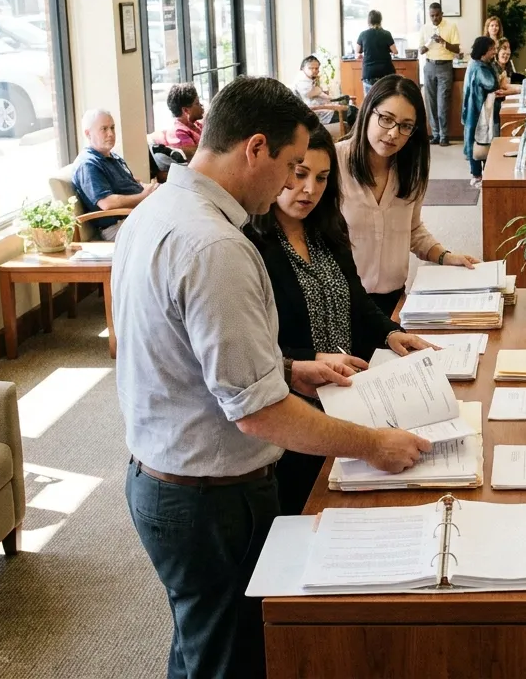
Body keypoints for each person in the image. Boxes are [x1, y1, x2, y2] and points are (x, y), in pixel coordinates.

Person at [115, 76, 430, 679]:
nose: (293, 183)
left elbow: (182, 347)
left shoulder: (158, 209)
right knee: (230, 656)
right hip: (209, 494)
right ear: (255, 148)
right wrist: (374, 445)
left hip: (163, 474)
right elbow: (258, 411)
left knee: (201, 641)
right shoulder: (217, 246)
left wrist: (287, 367)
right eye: (289, 165)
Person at [251, 126, 436, 515]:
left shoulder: (328, 228)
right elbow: (255, 352)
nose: (309, 190)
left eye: (321, 178)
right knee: (306, 507)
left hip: (349, 396)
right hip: (293, 409)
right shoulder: (252, 245)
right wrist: (310, 358)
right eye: (299, 174)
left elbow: (356, 299)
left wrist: (390, 333)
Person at [338, 75, 480, 316]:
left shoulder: (411, 170)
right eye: (386, 119)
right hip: (343, 299)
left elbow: (411, 229)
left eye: (405, 126)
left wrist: (445, 256)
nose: (394, 133)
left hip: (394, 297)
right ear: (368, 113)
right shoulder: (333, 164)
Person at [72, 109, 157, 241]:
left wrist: (150, 188)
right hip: (120, 225)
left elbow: (131, 183)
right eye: (104, 129)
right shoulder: (88, 164)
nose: (110, 134)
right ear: (88, 134)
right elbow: (107, 203)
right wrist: (144, 196)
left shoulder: (112, 156)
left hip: (136, 215)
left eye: (112, 128)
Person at [461, 35, 511, 186]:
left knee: (479, 140)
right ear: (484, 51)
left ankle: (481, 173)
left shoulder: (476, 64)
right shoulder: (479, 67)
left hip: (477, 110)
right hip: (479, 111)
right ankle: (478, 175)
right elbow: (491, 84)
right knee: (479, 141)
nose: (494, 52)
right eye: (492, 50)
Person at [420, 2, 462, 145]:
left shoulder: (451, 27)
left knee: (443, 102)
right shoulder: (425, 28)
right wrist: (429, 43)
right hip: (429, 65)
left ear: (442, 14)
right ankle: (435, 134)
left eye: (437, 15)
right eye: (432, 15)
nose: (435, 18)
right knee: (431, 102)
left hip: (445, 66)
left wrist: (443, 42)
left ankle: (444, 136)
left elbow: (456, 49)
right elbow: (420, 50)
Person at [154, 83, 204, 159]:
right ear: (186, 110)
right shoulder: (179, 132)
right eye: (197, 103)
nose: (201, 106)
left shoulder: (196, 125)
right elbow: (194, 158)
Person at [355, 9, 398, 99]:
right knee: (385, 99)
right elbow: (395, 51)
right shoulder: (386, 34)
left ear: (368, 21)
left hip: (369, 73)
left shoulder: (363, 34)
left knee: (369, 101)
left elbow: (357, 52)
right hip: (385, 72)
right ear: (380, 20)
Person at [293, 55, 347, 124]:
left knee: (353, 111)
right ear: (303, 68)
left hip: (324, 111)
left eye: (317, 68)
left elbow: (321, 94)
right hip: (319, 116)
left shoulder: (308, 78)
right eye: (311, 68)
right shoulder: (302, 80)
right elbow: (311, 94)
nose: (314, 71)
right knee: (353, 113)